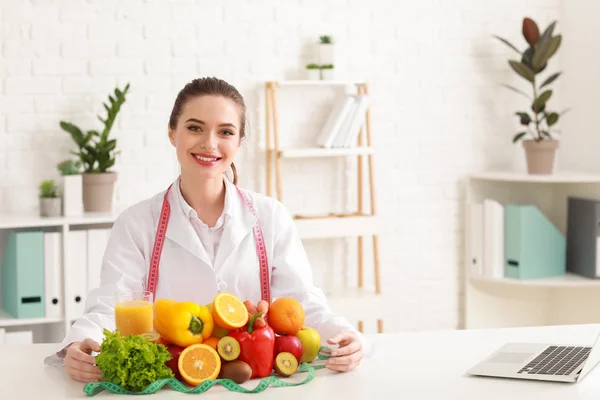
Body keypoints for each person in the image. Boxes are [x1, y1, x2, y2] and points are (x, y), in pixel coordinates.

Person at [44, 77, 371, 383]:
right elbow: (114, 304)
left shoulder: (271, 217)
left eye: (226, 132)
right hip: (169, 384)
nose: (210, 143)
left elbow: (301, 305)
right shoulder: (136, 223)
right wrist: (77, 345)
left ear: (240, 141)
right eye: (195, 127)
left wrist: (346, 336)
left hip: (254, 383)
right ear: (172, 133)